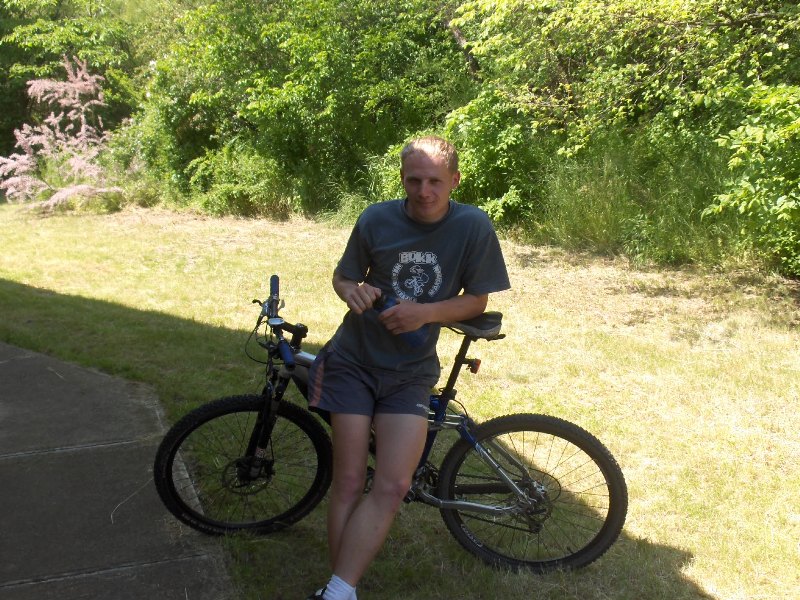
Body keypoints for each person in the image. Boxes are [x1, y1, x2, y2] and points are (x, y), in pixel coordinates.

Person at [306, 136, 510, 600]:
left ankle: (337, 587)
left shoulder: (473, 226)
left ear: (455, 180)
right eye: (414, 180)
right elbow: (344, 276)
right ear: (402, 178)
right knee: (349, 480)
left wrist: (425, 313)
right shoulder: (375, 219)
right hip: (353, 361)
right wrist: (351, 291)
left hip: (410, 371)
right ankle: (340, 590)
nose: (424, 191)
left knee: (395, 483)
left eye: (435, 181)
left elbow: (477, 300)